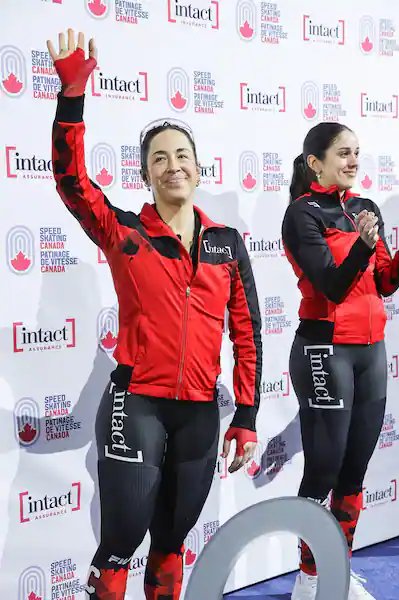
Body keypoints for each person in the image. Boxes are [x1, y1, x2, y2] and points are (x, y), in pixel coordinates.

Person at [46, 29, 262, 600]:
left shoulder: (227, 243)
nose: (173, 165)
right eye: (159, 158)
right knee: (121, 542)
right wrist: (72, 98)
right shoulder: (126, 232)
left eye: (182, 156)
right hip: (135, 403)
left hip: (199, 415)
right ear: (146, 175)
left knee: (170, 545)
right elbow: (71, 183)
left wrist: (246, 414)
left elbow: (248, 332)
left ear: (199, 169)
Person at [282, 122, 399, 600]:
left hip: (371, 351)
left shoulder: (366, 208)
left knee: (354, 472)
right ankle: (309, 578)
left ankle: (337, 571)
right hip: (324, 348)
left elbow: (385, 282)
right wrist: (365, 246)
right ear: (316, 163)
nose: (353, 161)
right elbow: (331, 285)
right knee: (324, 469)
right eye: (343, 153)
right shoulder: (301, 213)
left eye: (356, 152)